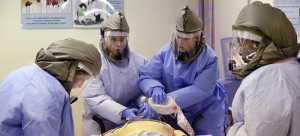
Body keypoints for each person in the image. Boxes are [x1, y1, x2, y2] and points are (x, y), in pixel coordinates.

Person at [138, 5, 227, 135]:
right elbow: (146, 75)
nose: (180, 42)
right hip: (174, 113)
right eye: (178, 36)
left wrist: (164, 101)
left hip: (206, 113)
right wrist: (154, 88)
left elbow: (200, 89)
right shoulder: (165, 53)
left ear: (197, 37)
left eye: (185, 39)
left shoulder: (210, 59)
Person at [0, 38, 102, 136]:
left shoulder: (19, 74)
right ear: (72, 69)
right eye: (83, 79)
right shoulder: (50, 93)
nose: (80, 85)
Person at [227, 1, 300, 136]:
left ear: (265, 44)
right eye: (239, 43)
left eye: (246, 43)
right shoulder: (292, 67)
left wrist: (234, 130)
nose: (241, 51)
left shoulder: (264, 81)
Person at [82, 11, 154, 136]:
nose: (119, 44)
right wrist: (123, 112)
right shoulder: (94, 62)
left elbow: (142, 90)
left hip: (130, 122)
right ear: (104, 38)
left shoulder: (140, 61)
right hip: (100, 123)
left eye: (122, 39)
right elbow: (95, 98)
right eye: (113, 39)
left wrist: (144, 102)